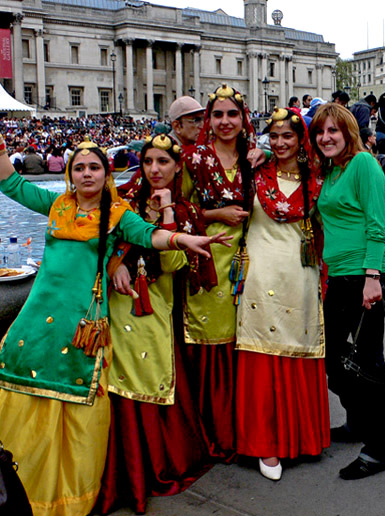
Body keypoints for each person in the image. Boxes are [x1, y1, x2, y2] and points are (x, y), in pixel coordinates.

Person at [0, 138, 228, 516]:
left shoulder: (118, 213)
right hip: (37, 317)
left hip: (83, 325)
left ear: (107, 174)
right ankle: (14, 484)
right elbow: (11, 183)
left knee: (73, 398)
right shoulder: (57, 205)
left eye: (94, 167)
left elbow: (149, 236)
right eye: (79, 168)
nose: (86, 174)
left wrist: (183, 237)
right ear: (70, 175)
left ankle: (58, 498)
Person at [99, 131, 214, 514]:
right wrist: (115, 264)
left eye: (163, 162)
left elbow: (176, 264)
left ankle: (151, 465)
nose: (154, 169)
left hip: (157, 309)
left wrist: (166, 213)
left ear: (177, 166)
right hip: (119, 308)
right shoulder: (122, 203)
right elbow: (97, 245)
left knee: (154, 378)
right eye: (148, 162)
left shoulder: (184, 211)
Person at [234, 107, 329, 481]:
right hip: (259, 274)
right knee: (261, 353)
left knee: (298, 350)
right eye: (273, 136)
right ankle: (265, 442)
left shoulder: (318, 178)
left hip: (300, 275)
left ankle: (301, 437)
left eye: (287, 136)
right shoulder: (253, 172)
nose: (279, 143)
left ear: (300, 139)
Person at [309, 102, 385, 480]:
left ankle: (377, 450)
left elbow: (377, 222)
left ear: (347, 133)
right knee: (336, 362)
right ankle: (357, 423)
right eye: (320, 132)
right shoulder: (333, 170)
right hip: (338, 277)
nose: (326, 138)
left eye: (333, 131)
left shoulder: (363, 165)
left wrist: (373, 276)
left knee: (369, 368)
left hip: (362, 276)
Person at [181, 83, 256, 462]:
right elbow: (178, 211)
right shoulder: (195, 158)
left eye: (232, 114)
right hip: (207, 259)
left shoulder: (255, 158)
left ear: (243, 118)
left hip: (250, 258)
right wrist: (216, 214)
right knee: (214, 343)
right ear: (208, 119)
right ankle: (217, 431)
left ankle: (247, 428)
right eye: (217, 114)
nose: (225, 121)